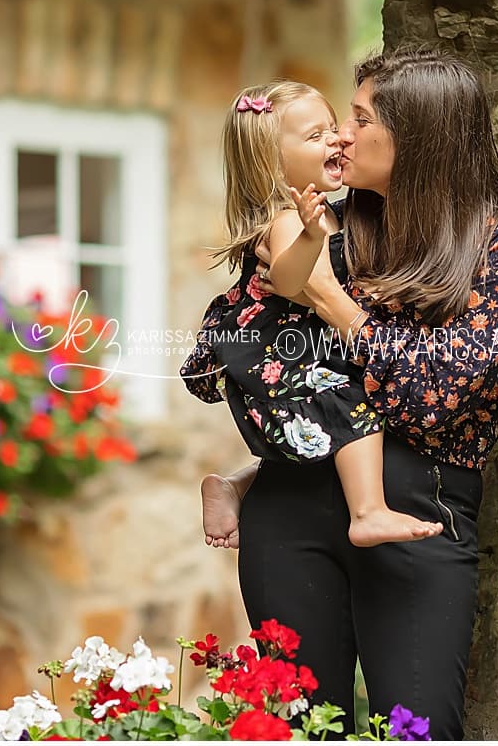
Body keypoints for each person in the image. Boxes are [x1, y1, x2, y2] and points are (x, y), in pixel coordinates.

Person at [188, 48, 498, 739]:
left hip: (417, 511)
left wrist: (330, 299)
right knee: (297, 730)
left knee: (414, 729)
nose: (342, 136)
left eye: (358, 118)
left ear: (416, 136)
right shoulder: (321, 222)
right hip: (288, 505)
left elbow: (437, 395)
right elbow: (253, 359)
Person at [189, 80, 442, 550]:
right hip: (288, 349)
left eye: (332, 128)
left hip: (300, 345)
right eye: (315, 136)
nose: (335, 140)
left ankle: (238, 485)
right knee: (353, 408)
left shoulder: (327, 214)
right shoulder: (290, 219)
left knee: (315, 430)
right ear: (273, 163)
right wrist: (308, 236)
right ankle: (368, 512)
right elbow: (287, 281)